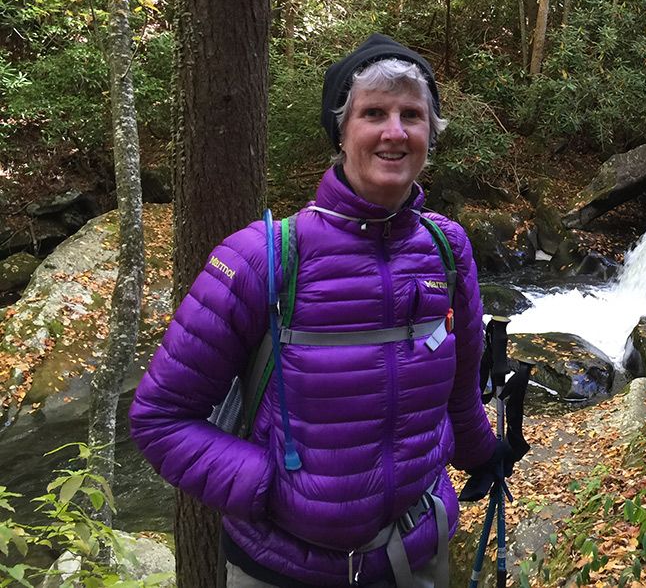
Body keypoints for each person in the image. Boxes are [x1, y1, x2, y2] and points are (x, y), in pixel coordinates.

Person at [130, 35, 511, 588]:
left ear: (431, 132)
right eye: (373, 113)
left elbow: (458, 387)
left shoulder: (448, 250)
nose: (395, 131)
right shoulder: (260, 257)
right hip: (282, 568)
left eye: (412, 114)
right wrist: (266, 487)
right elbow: (159, 418)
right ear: (341, 131)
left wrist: (483, 454)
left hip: (414, 556)